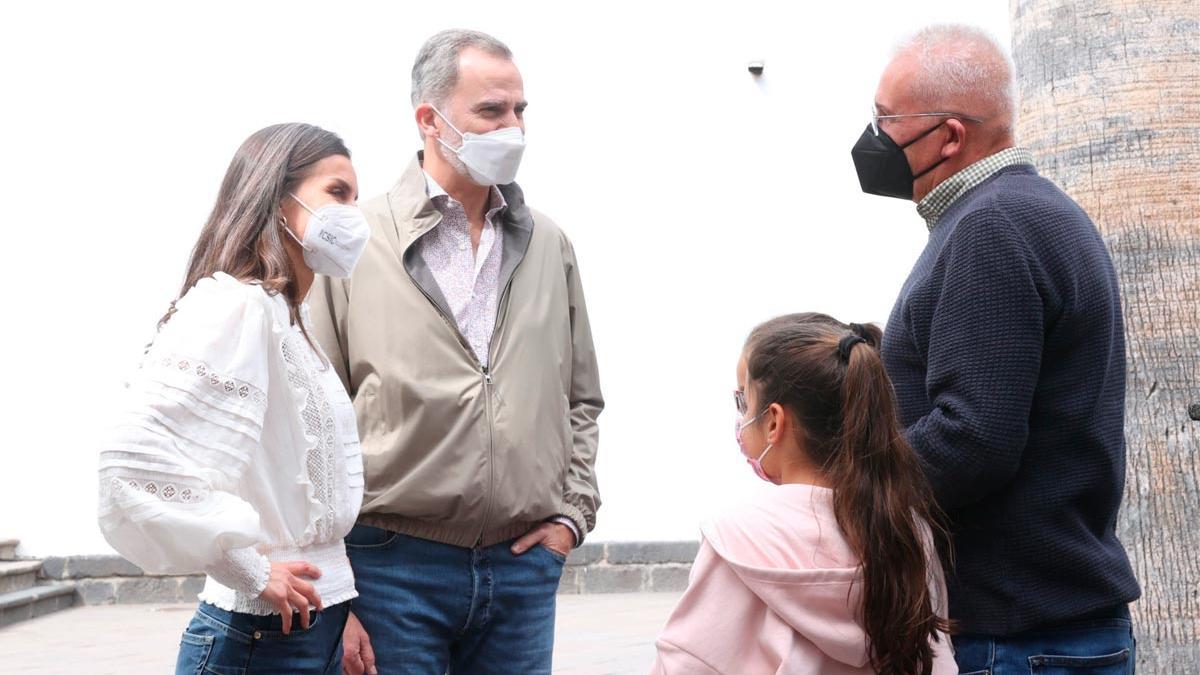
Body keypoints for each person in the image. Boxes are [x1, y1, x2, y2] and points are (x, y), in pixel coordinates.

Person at [305, 29, 603, 675]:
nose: (513, 128)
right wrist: (335, 586)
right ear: (430, 120)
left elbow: (581, 396)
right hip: (391, 567)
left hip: (523, 567)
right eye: (491, 112)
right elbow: (311, 413)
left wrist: (572, 517)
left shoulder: (549, 243)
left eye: (520, 110)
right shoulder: (356, 243)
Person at [851, 24, 1141, 672]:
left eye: (885, 120)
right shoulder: (1028, 212)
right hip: (1052, 629)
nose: (874, 140)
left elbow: (973, 438)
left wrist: (845, 484)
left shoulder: (991, 228)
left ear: (950, 136)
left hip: (1018, 639)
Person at [98, 123, 370, 674]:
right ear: (277, 198)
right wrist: (250, 570)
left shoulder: (291, 320)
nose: (353, 215)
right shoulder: (237, 306)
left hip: (311, 626)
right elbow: (129, 462)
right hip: (256, 640)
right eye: (337, 193)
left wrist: (344, 609)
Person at [651, 314, 955, 675]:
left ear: (775, 421)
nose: (741, 416)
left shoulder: (736, 536)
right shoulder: (909, 531)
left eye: (743, 401)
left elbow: (685, 664)